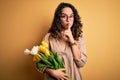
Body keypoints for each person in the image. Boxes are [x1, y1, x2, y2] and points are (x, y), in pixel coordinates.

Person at [36, 2, 87, 80]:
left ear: (74, 18)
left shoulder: (79, 37)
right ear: (58, 19)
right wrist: (52, 72)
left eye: (71, 16)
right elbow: (39, 63)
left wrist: (72, 40)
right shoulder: (49, 37)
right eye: (64, 16)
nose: (68, 20)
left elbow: (81, 63)